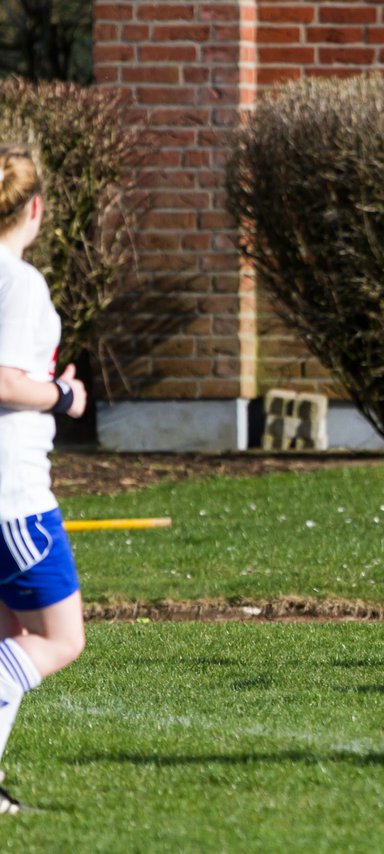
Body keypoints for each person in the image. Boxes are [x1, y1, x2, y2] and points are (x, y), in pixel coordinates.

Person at [0, 145, 89, 812]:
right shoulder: (17, 281)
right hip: (14, 495)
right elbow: (3, 379)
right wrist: (61, 395)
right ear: (34, 209)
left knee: (9, 638)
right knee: (61, 639)